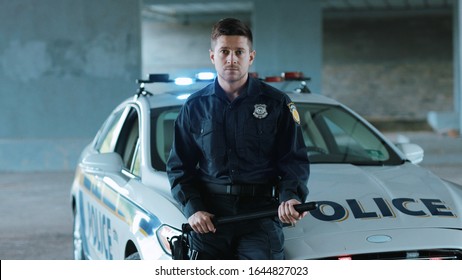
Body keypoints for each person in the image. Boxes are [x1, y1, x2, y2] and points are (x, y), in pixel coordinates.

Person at [167, 18, 310, 260]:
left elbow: (293, 160)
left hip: (260, 217)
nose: (231, 59)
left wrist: (290, 196)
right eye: (224, 51)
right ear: (213, 56)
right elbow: (180, 167)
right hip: (210, 219)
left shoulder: (277, 104)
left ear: (250, 57)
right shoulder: (194, 107)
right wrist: (193, 209)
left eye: (239, 52)